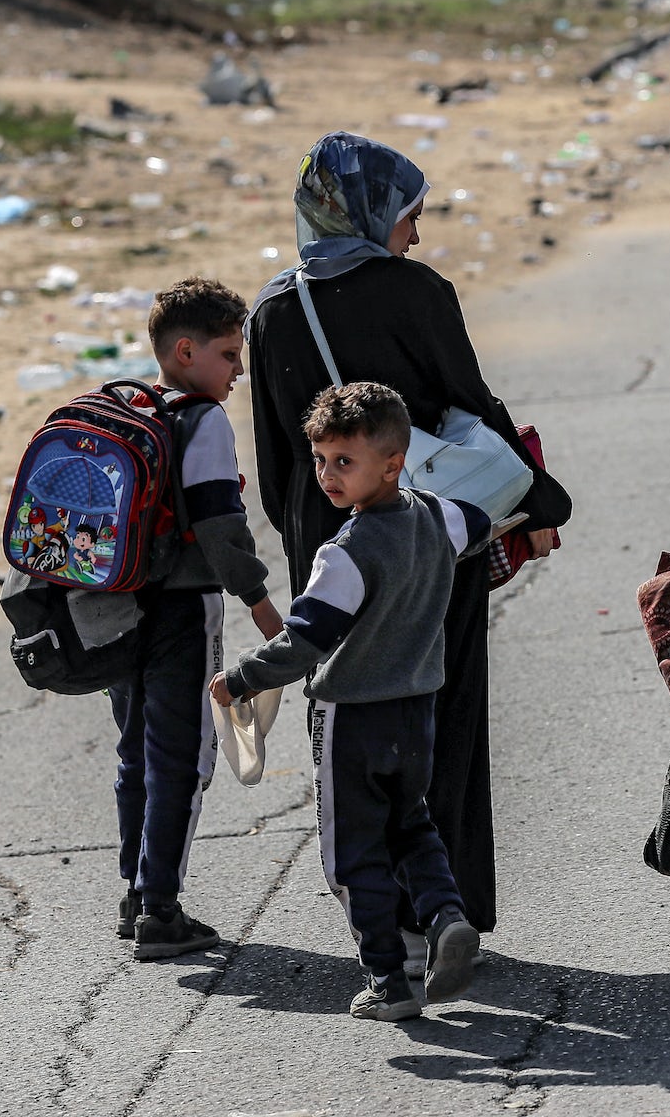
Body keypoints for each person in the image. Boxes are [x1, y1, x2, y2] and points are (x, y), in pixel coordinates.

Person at [249, 133, 571, 949]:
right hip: (427, 546)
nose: (415, 235)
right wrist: (539, 499)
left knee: (351, 730)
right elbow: (473, 407)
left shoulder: (272, 312)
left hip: (332, 552)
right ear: (369, 211)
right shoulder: (417, 293)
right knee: (440, 718)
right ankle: (444, 907)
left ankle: (381, 926)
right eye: (410, 216)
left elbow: (276, 459)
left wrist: (308, 566)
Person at [212, 383, 491, 1021]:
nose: (327, 475)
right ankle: (447, 917)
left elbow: (304, 642)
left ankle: (390, 982)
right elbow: (478, 523)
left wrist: (241, 680)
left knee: (352, 853)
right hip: (418, 710)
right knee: (413, 826)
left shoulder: (344, 553)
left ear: (392, 463)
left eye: (345, 461)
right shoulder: (436, 517)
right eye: (320, 460)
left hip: (353, 721)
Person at [114, 278, 285, 960]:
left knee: (135, 752)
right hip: (182, 609)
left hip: (116, 608)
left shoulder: (130, 403)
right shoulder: (202, 419)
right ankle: (161, 909)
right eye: (228, 354)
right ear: (185, 350)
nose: (238, 370)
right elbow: (220, 528)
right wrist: (267, 611)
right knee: (181, 759)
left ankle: (136, 890)